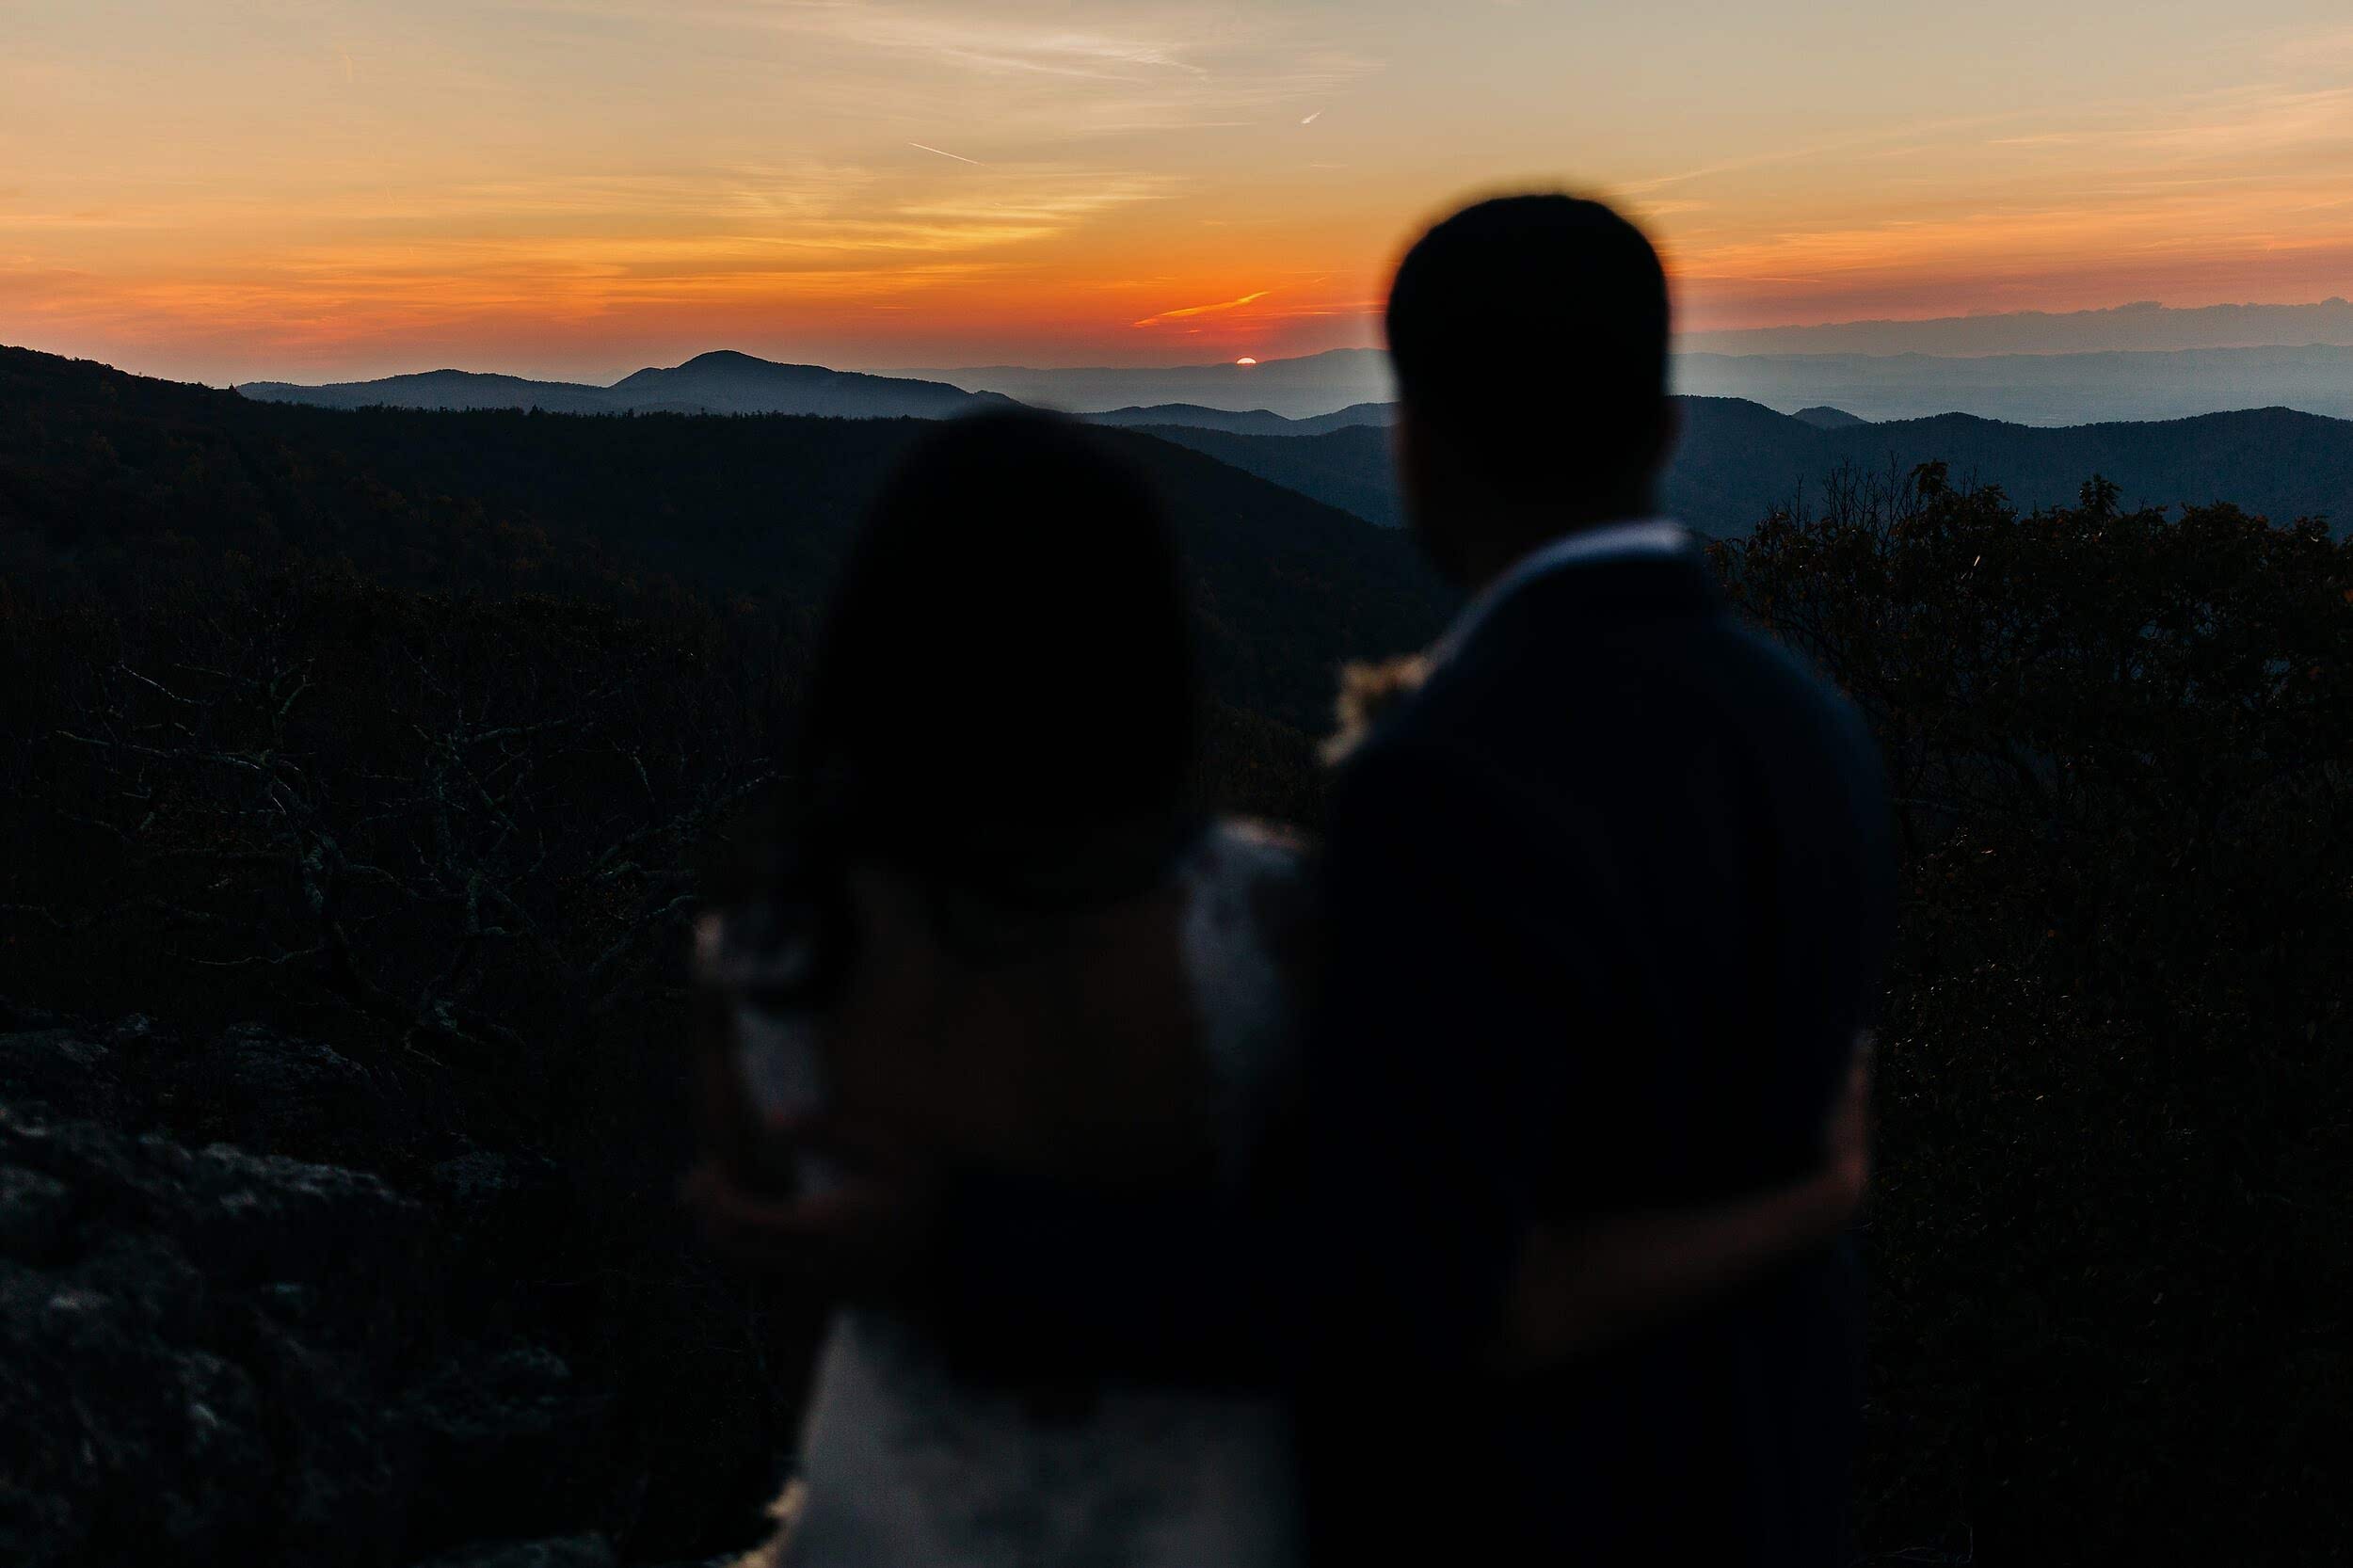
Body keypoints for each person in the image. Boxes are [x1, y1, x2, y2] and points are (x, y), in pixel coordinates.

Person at [684, 399, 1883, 1565]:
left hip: (879, 1512)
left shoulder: (775, 954)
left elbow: (790, 1275)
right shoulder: (1263, 924)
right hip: (1202, 1520)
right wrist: (1806, 1201)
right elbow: (1402, 1289)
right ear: (1142, 645)